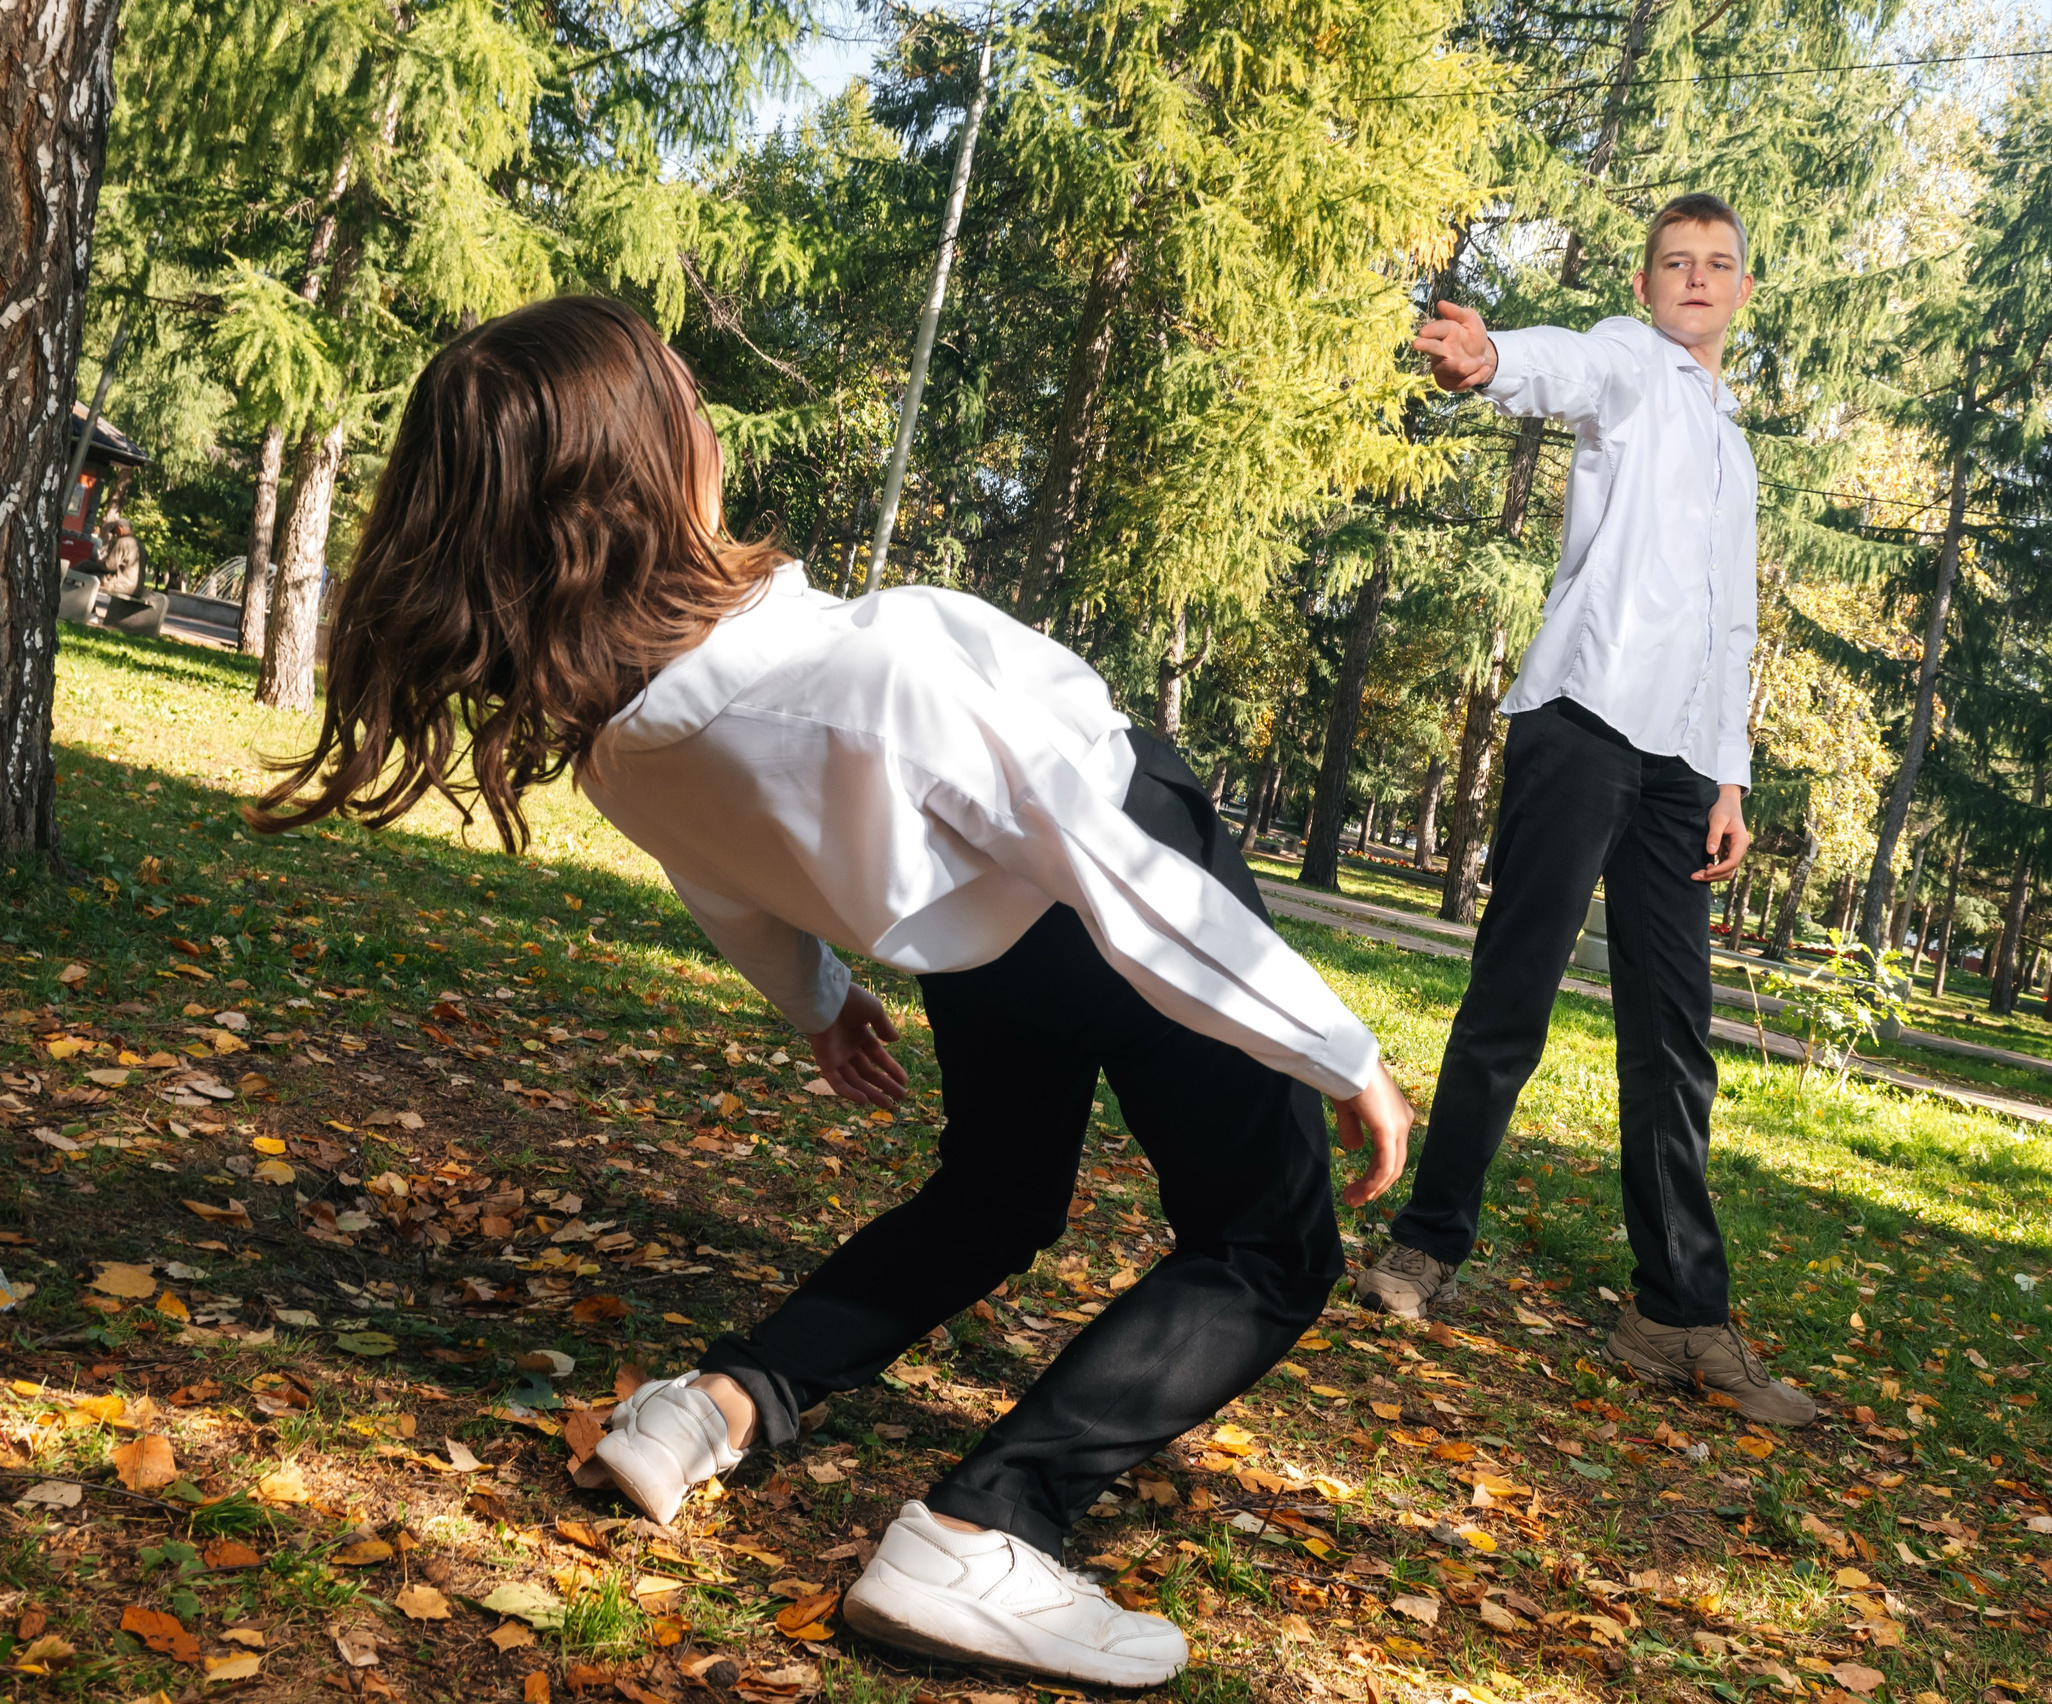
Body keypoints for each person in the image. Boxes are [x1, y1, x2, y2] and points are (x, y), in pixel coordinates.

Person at [250, 295, 1414, 1690]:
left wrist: (815, 998)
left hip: (974, 959)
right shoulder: (875, 668)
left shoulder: (626, 746)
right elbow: (1111, 864)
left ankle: (720, 1404)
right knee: (1268, 1248)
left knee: (994, 1198)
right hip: (1115, 883)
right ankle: (990, 1527)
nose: (701, 399)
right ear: (633, 476)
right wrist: (1328, 1043)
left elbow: (723, 881)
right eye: (677, 389)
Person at [1351, 194, 1815, 1428]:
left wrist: (1729, 777)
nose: (1697, 279)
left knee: (1675, 1041)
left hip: (1677, 770)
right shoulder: (1634, 365)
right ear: (1649, 279)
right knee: (1511, 1000)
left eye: (1720, 264)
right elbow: (1567, 364)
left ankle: (1676, 1314)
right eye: (1678, 262)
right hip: (1581, 724)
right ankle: (1423, 1245)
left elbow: (1730, 626)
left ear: (1745, 290)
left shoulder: (1737, 449)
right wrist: (1494, 359)